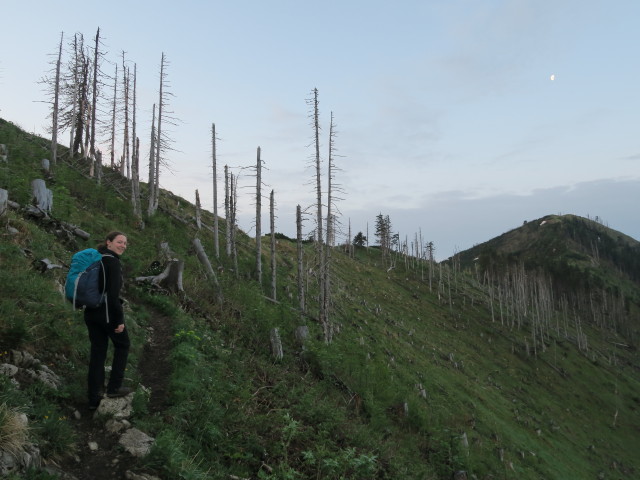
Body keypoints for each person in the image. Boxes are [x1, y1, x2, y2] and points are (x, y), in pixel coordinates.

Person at [84, 231, 131, 410]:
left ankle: (93, 398)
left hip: (90, 311)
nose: (123, 246)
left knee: (98, 352)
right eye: (120, 242)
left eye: (125, 243)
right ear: (108, 242)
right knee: (123, 344)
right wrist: (119, 320)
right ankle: (114, 387)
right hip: (106, 312)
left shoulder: (97, 259)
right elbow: (112, 296)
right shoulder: (112, 262)